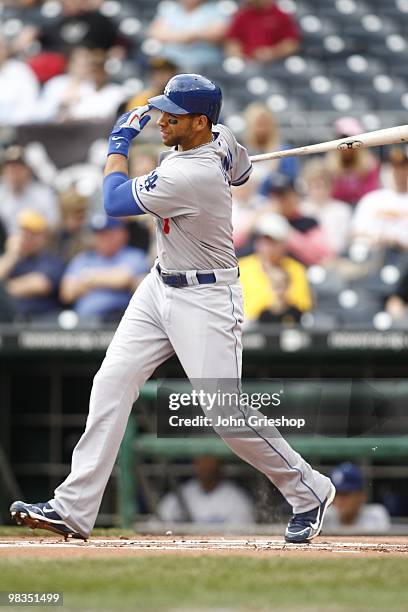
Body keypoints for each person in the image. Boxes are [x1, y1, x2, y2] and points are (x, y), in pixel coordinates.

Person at [11, 73, 335, 544]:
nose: (160, 120)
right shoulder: (220, 139)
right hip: (159, 284)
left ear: (200, 121)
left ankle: (309, 491)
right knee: (111, 382)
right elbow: (242, 171)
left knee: (225, 412)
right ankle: (72, 508)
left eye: (173, 115)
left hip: (206, 297)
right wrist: (226, 161)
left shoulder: (192, 173)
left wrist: (117, 144)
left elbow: (113, 199)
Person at [59, 214, 149, 322]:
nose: (102, 238)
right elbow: (67, 293)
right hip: (84, 322)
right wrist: (108, 279)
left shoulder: (134, 256)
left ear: (122, 234)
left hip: (119, 320)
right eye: (99, 234)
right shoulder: (83, 258)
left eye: (108, 233)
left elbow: (123, 279)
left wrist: (87, 278)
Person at [239, 213, 312, 323]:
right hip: (250, 329)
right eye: (263, 240)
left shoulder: (296, 269)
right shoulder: (241, 268)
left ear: (283, 244)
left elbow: (303, 306)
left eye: (272, 241)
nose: (267, 246)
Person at [0, 210, 64, 320]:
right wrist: (11, 255)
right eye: (24, 233)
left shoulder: (51, 260)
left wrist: (3, 291)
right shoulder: (13, 258)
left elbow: (40, 284)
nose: (27, 238)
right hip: (9, 321)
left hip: (41, 322)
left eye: (33, 234)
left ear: (43, 237)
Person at [260, 173, 334, 266]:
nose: (279, 201)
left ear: (295, 196)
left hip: (302, 274)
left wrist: (285, 229)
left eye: (283, 195)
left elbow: (322, 256)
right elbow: (237, 245)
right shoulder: (263, 220)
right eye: (275, 196)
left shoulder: (308, 222)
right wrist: (256, 217)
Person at [157, 455, 255, 524]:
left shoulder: (236, 498)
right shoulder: (182, 493)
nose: (204, 465)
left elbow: (242, 536)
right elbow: (157, 523)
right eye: (200, 460)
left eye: (209, 460)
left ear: (220, 464)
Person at [351, 146, 408, 250]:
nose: (398, 172)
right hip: (372, 253)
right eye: (393, 166)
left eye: (403, 167)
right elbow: (356, 232)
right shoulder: (372, 199)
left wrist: (396, 241)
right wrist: (378, 238)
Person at [149, 0, 228, 72]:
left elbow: (219, 33)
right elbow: (155, 33)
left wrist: (193, 35)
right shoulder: (170, 9)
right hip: (170, 63)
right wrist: (189, 36)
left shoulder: (216, 9)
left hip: (205, 64)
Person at [0, 146, 59, 235]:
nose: (14, 173)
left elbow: (54, 226)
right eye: (10, 168)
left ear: (28, 170)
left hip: (36, 242)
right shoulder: (1, 194)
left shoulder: (43, 194)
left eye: (18, 168)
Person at [300, 159, 352, 256]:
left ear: (330, 185)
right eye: (312, 185)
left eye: (320, 185)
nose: (316, 190)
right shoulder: (300, 209)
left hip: (333, 259)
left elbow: (339, 245)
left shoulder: (342, 210)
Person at [326, 117, 381, 206]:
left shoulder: (369, 164)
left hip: (363, 207)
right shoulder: (330, 165)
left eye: (353, 141)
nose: (349, 146)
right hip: (338, 210)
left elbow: (370, 195)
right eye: (344, 139)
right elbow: (332, 195)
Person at [225, 0, 300, 63]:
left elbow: (292, 44)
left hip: (276, 63)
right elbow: (233, 42)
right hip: (248, 63)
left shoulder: (281, 15)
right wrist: (240, 56)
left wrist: (273, 52)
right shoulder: (241, 15)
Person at [324, 463, 391, 533]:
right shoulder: (323, 516)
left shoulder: (375, 516)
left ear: (361, 496)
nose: (340, 499)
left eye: (346, 494)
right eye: (336, 493)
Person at [0, 33, 39, 125]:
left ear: (6, 50)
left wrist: (7, 124)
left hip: (16, 127)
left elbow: (29, 103)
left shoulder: (20, 71)